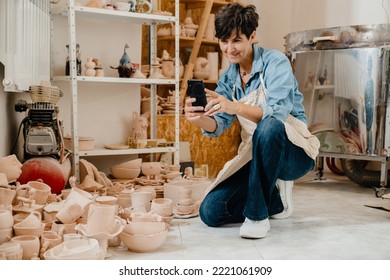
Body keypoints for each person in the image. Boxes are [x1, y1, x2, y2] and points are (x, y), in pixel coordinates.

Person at [184, 3, 320, 239]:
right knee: (211, 212)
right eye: (224, 41)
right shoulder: (229, 76)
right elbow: (218, 124)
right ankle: (274, 201)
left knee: (268, 126)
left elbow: (275, 115)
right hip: (254, 152)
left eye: (236, 40)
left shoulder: (275, 63)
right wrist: (196, 119)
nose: (229, 49)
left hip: (294, 151)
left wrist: (234, 105)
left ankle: (257, 216)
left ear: (252, 36)